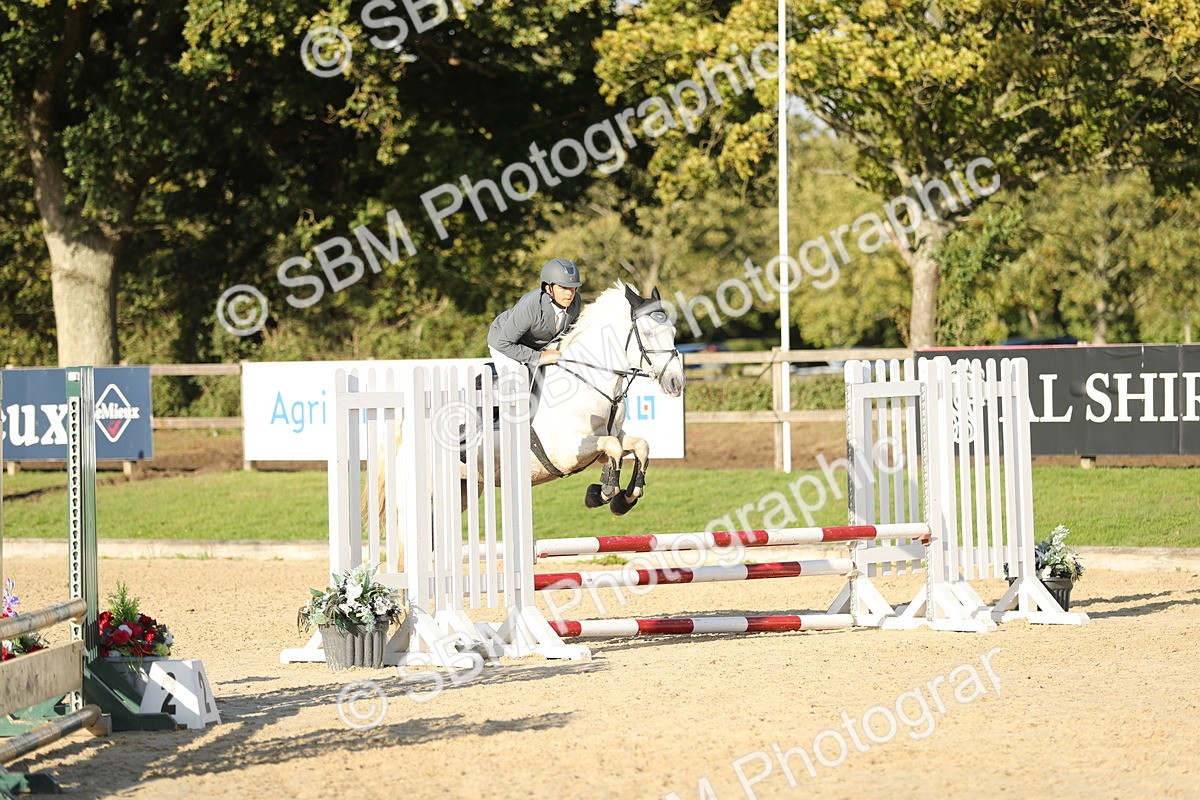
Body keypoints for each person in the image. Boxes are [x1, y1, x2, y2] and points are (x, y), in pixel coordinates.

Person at [487, 258, 583, 375]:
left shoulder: (575, 301)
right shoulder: (531, 306)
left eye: (573, 288)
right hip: (504, 342)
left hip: (534, 346)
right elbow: (504, 343)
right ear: (548, 288)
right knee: (518, 378)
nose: (569, 293)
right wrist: (539, 356)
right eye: (563, 287)